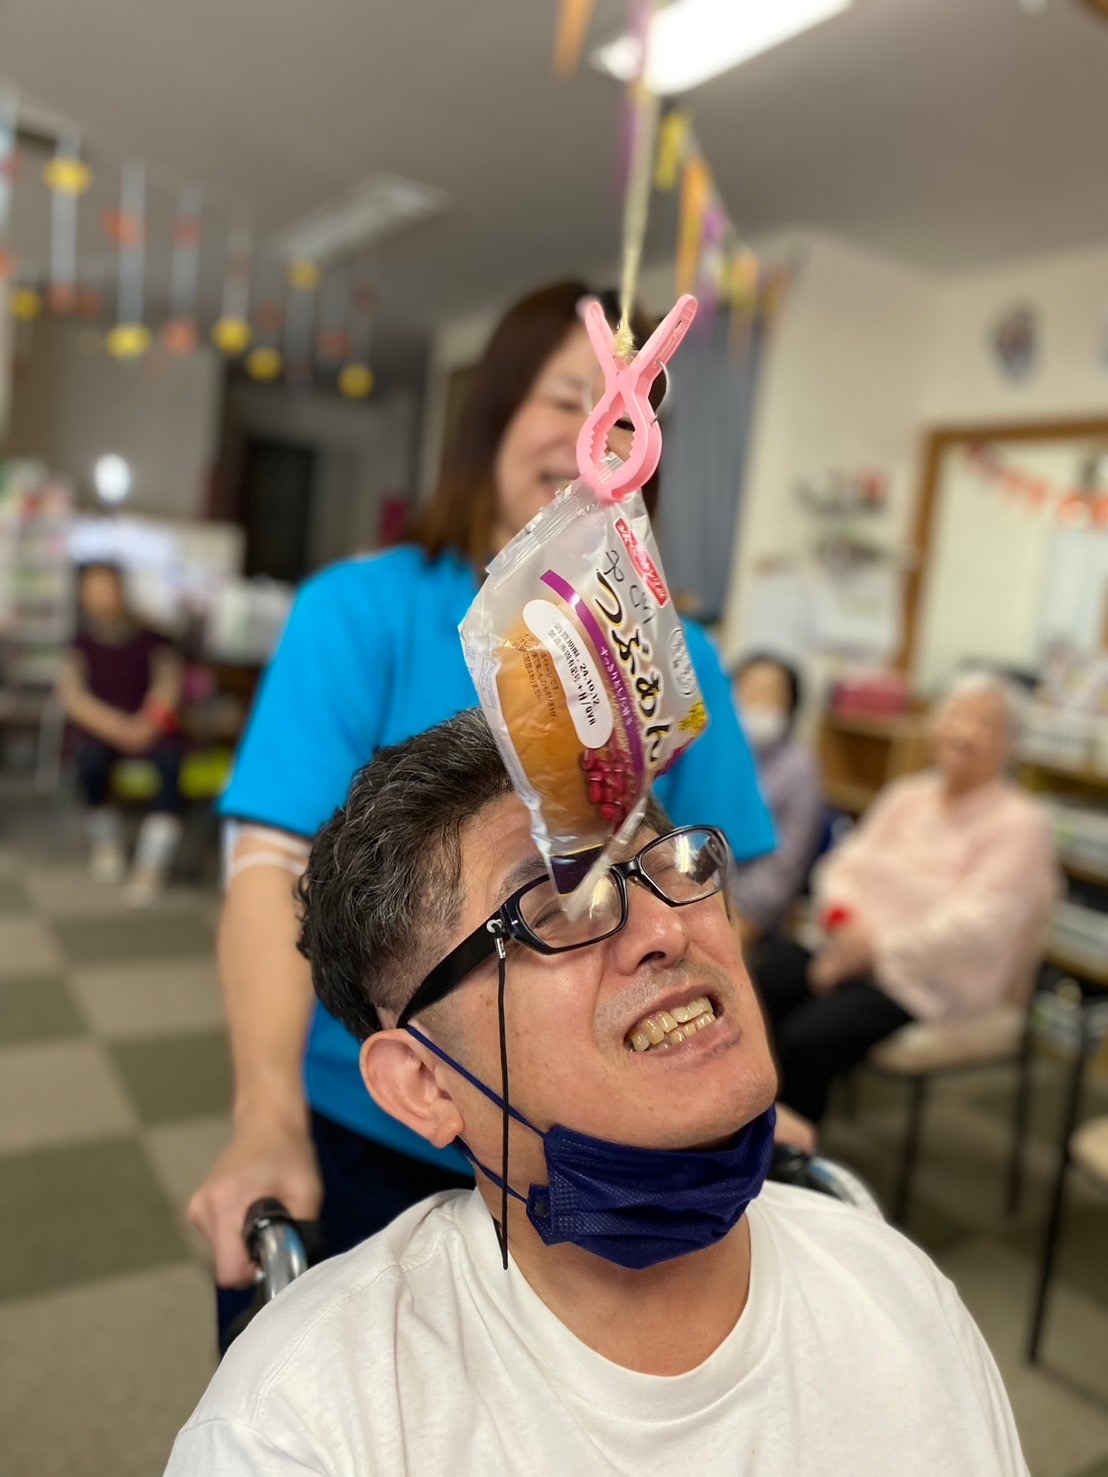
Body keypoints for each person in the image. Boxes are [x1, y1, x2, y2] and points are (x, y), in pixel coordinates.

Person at [166, 710, 1028, 1476]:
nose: (668, 927)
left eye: (674, 864)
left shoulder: (897, 1292)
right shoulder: (301, 1425)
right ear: (425, 1083)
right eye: (557, 906)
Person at [189, 280, 778, 1348]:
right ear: (492, 415)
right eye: (563, 396)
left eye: (626, 406)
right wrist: (266, 1116)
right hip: (370, 1124)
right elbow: (270, 868)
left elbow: (713, 892)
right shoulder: (361, 611)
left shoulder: (672, 653)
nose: (590, 428)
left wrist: (721, 1073)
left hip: (603, 1151)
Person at [752, 671, 1058, 1126]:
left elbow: (973, 928)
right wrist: (843, 922)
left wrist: (870, 953)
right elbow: (842, 866)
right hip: (844, 946)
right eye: (957, 715)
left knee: (805, 1039)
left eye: (986, 724)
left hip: (926, 980)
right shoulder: (907, 794)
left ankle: (786, 1153)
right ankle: (724, 1128)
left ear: (1012, 745)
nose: (965, 731)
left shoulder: (1022, 824)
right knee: (755, 984)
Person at [57, 561, 184, 904]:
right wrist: (116, 727)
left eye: (107, 587)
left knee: (170, 765)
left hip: (152, 728)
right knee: (90, 762)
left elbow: (168, 684)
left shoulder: (154, 637)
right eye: (92, 590)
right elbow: (72, 696)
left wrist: (146, 725)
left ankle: (152, 863)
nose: (101, 596)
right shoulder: (80, 643)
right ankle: (107, 842)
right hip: (102, 729)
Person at [730, 651, 825, 943]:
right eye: (748, 689)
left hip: (744, 913)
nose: (756, 701)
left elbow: (781, 869)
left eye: (770, 693)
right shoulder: (708, 752)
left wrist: (740, 926)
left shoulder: (799, 770)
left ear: (790, 706)